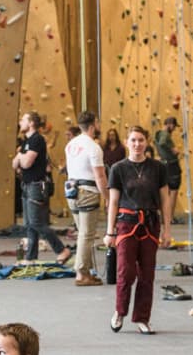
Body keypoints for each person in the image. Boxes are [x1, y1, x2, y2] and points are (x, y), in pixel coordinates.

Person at [106, 126, 169, 334]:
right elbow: (113, 202)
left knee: (147, 273)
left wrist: (167, 229)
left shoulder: (158, 168)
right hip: (126, 224)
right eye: (133, 140)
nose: (137, 144)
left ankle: (142, 317)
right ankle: (120, 311)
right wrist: (110, 231)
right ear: (127, 142)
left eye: (141, 140)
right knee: (125, 271)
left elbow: (165, 200)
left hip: (151, 225)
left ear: (147, 141)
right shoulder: (118, 168)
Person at [11, 111, 68, 264]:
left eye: (23, 119)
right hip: (27, 185)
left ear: (31, 123)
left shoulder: (37, 140)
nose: (20, 122)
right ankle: (31, 257)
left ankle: (62, 249)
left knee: (36, 222)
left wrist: (20, 156)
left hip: (37, 186)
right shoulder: (26, 142)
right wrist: (20, 158)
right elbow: (14, 165)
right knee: (29, 224)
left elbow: (25, 163)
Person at [64, 110, 108, 286]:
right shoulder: (93, 147)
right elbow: (100, 176)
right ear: (93, 124)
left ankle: (86, 270)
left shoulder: (70, 145)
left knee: (82, 232)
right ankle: (81, 273)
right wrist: (107, 196)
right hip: (87, 191)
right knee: (86, 234)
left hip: (71, 190)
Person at [153, 116, 182, 222]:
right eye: (174, 126)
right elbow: (162, 142)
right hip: (171, 165)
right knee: (173, 191)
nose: (174, 129)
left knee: (165, 192)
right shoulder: (165, 135)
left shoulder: (158, 133)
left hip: (164, 164)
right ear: (170, 124)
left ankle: (165, 216)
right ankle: (169, 217)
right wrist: (172, 149)